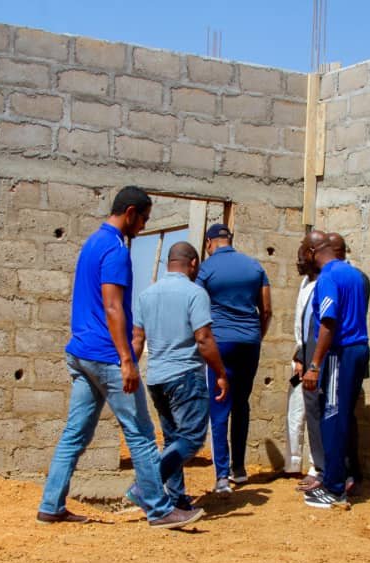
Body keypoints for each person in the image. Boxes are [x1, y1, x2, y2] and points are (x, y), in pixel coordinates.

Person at [36, 187, 203, 530]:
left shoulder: (92, 243)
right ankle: (159, 509)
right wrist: (126, 360)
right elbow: (113, 307)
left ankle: (51, 505)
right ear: (130, 213)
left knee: (74, 434)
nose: (143, 226)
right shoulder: (115, 249)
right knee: (141, 433)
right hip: (106, 356)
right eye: (143, 219)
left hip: (81, 353)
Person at [131, 242, 229, 511]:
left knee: (173, 440)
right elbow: (204, 338)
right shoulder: (195, 293)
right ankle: (146, 486)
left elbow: (137, 339)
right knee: (193, 438)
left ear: (168, 262)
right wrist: (220, 373)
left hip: (156, 378)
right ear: (194, 263)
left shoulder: (146, 295)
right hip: (185, 376)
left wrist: (128, 369)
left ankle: (176, 499)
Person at [196, 223, 272, 493]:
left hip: (221, 343)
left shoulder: (206, 269)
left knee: (219, 405)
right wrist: (256, 336)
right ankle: (239, 469)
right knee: (241, 403)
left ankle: (221, 476)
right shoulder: (255, 267)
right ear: (230, 240)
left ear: (209, 243)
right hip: (249, 343)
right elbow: (266, 310)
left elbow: (196, 306)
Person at [301, 232, 370, 508]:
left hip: (340, 353)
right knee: (342, 416)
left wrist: (314, 365)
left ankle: (334, 487)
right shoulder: (353, 274)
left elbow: (328, 322)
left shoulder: (327, 277)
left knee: (331, 417)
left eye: (303, 252)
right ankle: (338, 479)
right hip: (359, 349)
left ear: (311, 251)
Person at [328, 231, 370, 496]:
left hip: (343, 353)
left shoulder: (345, 278)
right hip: (352, 352)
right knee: (343, 413)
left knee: (339, 413)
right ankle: (347, 471)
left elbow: (335, 319)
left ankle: (345, 473)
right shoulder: (358, 277)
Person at [291, 231, 326, 488]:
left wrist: (312, 362)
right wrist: (298, 357)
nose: (299, 260)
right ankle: (293, 463)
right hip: (301, 356)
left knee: (315, 411)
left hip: (315, 359)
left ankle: (317, 466)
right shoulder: (305, 283)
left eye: (303, 253)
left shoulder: (323, 284)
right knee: (296, 408)